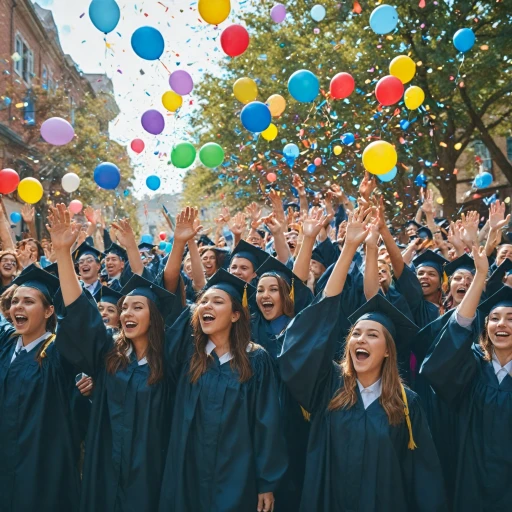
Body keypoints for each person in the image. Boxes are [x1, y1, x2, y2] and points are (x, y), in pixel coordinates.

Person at [279, 207, 447, 511]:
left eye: (372, 335)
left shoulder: (406, 403)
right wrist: (348, 250)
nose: (360, 339)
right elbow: (311, 327)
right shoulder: (327, 386)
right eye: (356, 333)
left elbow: (423, 476)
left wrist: (372, 250)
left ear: (387, 350)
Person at [48, 203, 177, 512]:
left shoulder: (170, 360)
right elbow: (80, 312)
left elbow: (174, 287)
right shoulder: (109, 352)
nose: (127, 313)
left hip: (150, 471)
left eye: (138, 307)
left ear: (154, 317)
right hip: (106, 464)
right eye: (125, 308)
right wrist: (64, 254)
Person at [159, 261, 287, 512]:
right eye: (204, 301)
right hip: (189, 471)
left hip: (236, 474)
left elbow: (267, 424)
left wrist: (266, 482)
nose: (207, 305)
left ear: (235, 314)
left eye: (218, 302)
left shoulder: (255, 360)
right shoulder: (188, 356)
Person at [421, 245, 512, 512]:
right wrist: (480, 276)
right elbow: (447, 349)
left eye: (510, 318)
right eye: (494, 318)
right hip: (470, 482)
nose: (501, 324)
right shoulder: (472, 368)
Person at [0, 265, 82, 512]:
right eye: (15, 302)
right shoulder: (6, 347)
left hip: (41, 464)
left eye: (28, 301)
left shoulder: (59, 352)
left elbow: (79, 322)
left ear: (49, 310)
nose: (19, 307)